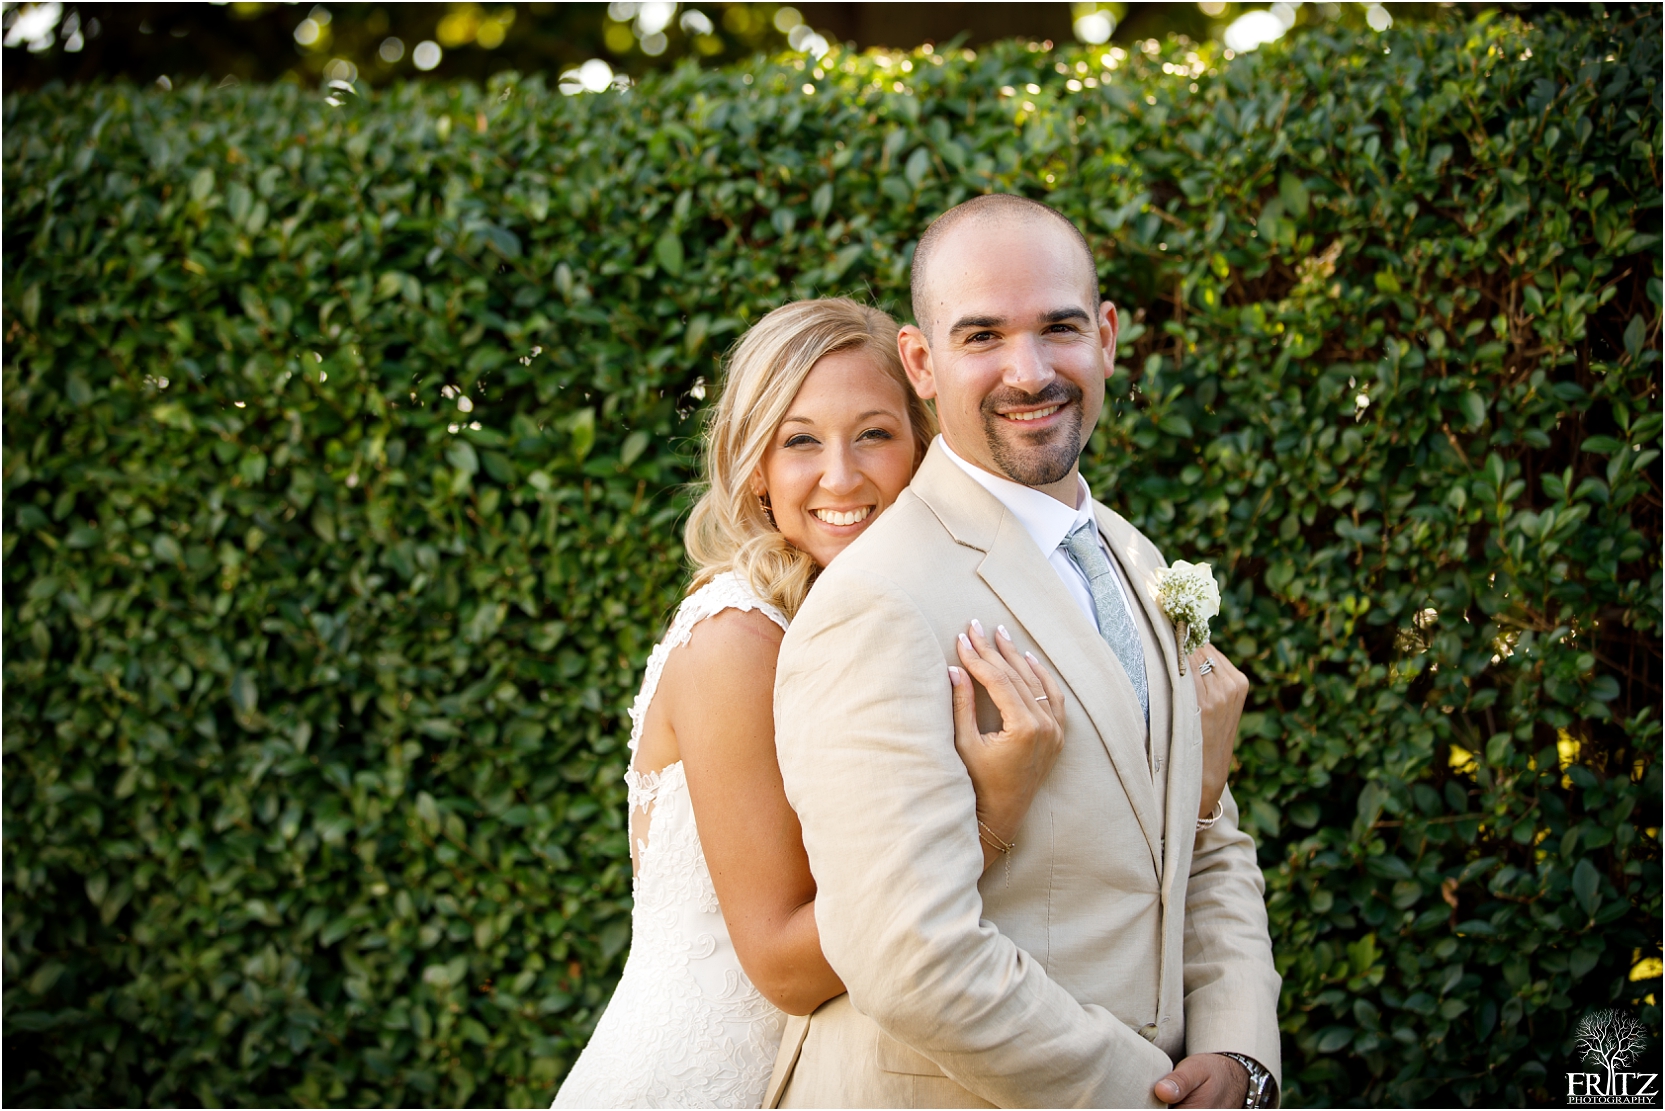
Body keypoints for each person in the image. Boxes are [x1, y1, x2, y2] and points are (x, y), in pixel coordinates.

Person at [554, 296, 1250, 1109]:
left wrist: (1188, 795)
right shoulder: (736, 642)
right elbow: (780, 962)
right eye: (799, 440)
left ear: (922, 445)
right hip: (704, 1079)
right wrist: (990, 810)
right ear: (755, 470)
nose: (841, 476)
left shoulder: (917, 602)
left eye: (875, 434)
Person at [766, 197, 1279, 1110]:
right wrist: (1146, 1097)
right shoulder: (874, 603)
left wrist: (1241, 1058)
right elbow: (908, 952)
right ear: (921, 364)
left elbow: (1204, 837)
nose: (1029, 370)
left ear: (1108, 336)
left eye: (1058, 327)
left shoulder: (1132, 554)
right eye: (982, 337)